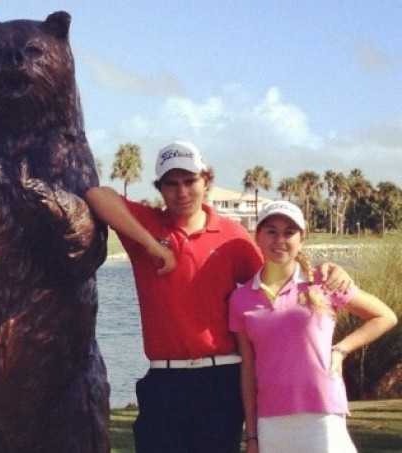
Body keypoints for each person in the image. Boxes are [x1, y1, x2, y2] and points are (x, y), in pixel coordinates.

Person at [85, 141, 350, 453]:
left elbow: (272, 284)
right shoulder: (145, 224)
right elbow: (96, 195)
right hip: (163, 381)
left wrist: (326, 270)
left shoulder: (232, 236)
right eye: (171, 184)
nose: (181, 192)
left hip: (221, 379)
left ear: (205, 181)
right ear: (160, 188)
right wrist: (152, 246)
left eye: (190, 181)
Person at [229, 201, 397, 453]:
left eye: (289, 232)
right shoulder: (241, 299)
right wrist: (252, 437)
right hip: (270, 420)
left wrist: (341, 349)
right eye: (271, 231)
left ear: (302, 238)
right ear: (258, 236)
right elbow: (248, 371)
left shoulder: (323, 281)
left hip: (322, 413)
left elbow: (384, 316)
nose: (280, 240)